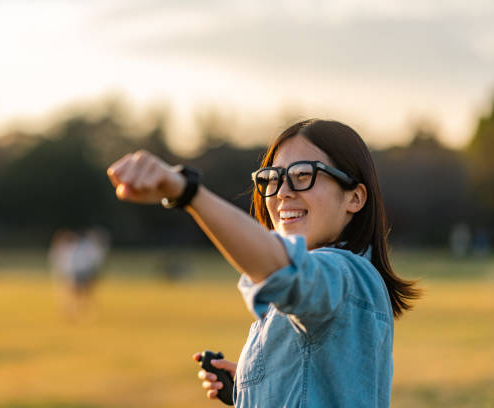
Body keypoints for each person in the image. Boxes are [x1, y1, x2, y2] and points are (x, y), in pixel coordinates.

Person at [107, 119, 420, 407]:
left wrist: (188, 193)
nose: (282, 192)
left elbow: (283, 271)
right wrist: (249, 386)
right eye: (273, 178)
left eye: (303, 175)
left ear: (355, 197)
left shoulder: (346, 274)